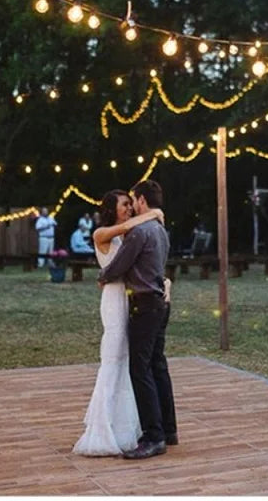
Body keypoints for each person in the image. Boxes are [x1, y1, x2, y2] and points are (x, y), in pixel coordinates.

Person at [72, 190, 164, 457]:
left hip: (131, 300)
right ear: (112, 209)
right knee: (112, 362)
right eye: (124, 204)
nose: (129, 208)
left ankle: (124, 429)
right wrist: (151, 215)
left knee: (128, 365)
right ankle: (102, 429)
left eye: (130, 204)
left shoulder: (127, 235)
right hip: (113, 302)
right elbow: (125, 227)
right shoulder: (101, 233)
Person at [97, 180, 177, 459]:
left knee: (140, 370)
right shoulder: (159, 229)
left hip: (144, 306)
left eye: (133, 200)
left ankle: (154, 436)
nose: (132, 205)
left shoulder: (140, 232)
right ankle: (169, 430)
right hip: (159, 303)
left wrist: (103, 276)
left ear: (142, 200)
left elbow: (119, 266)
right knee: (157, 365)